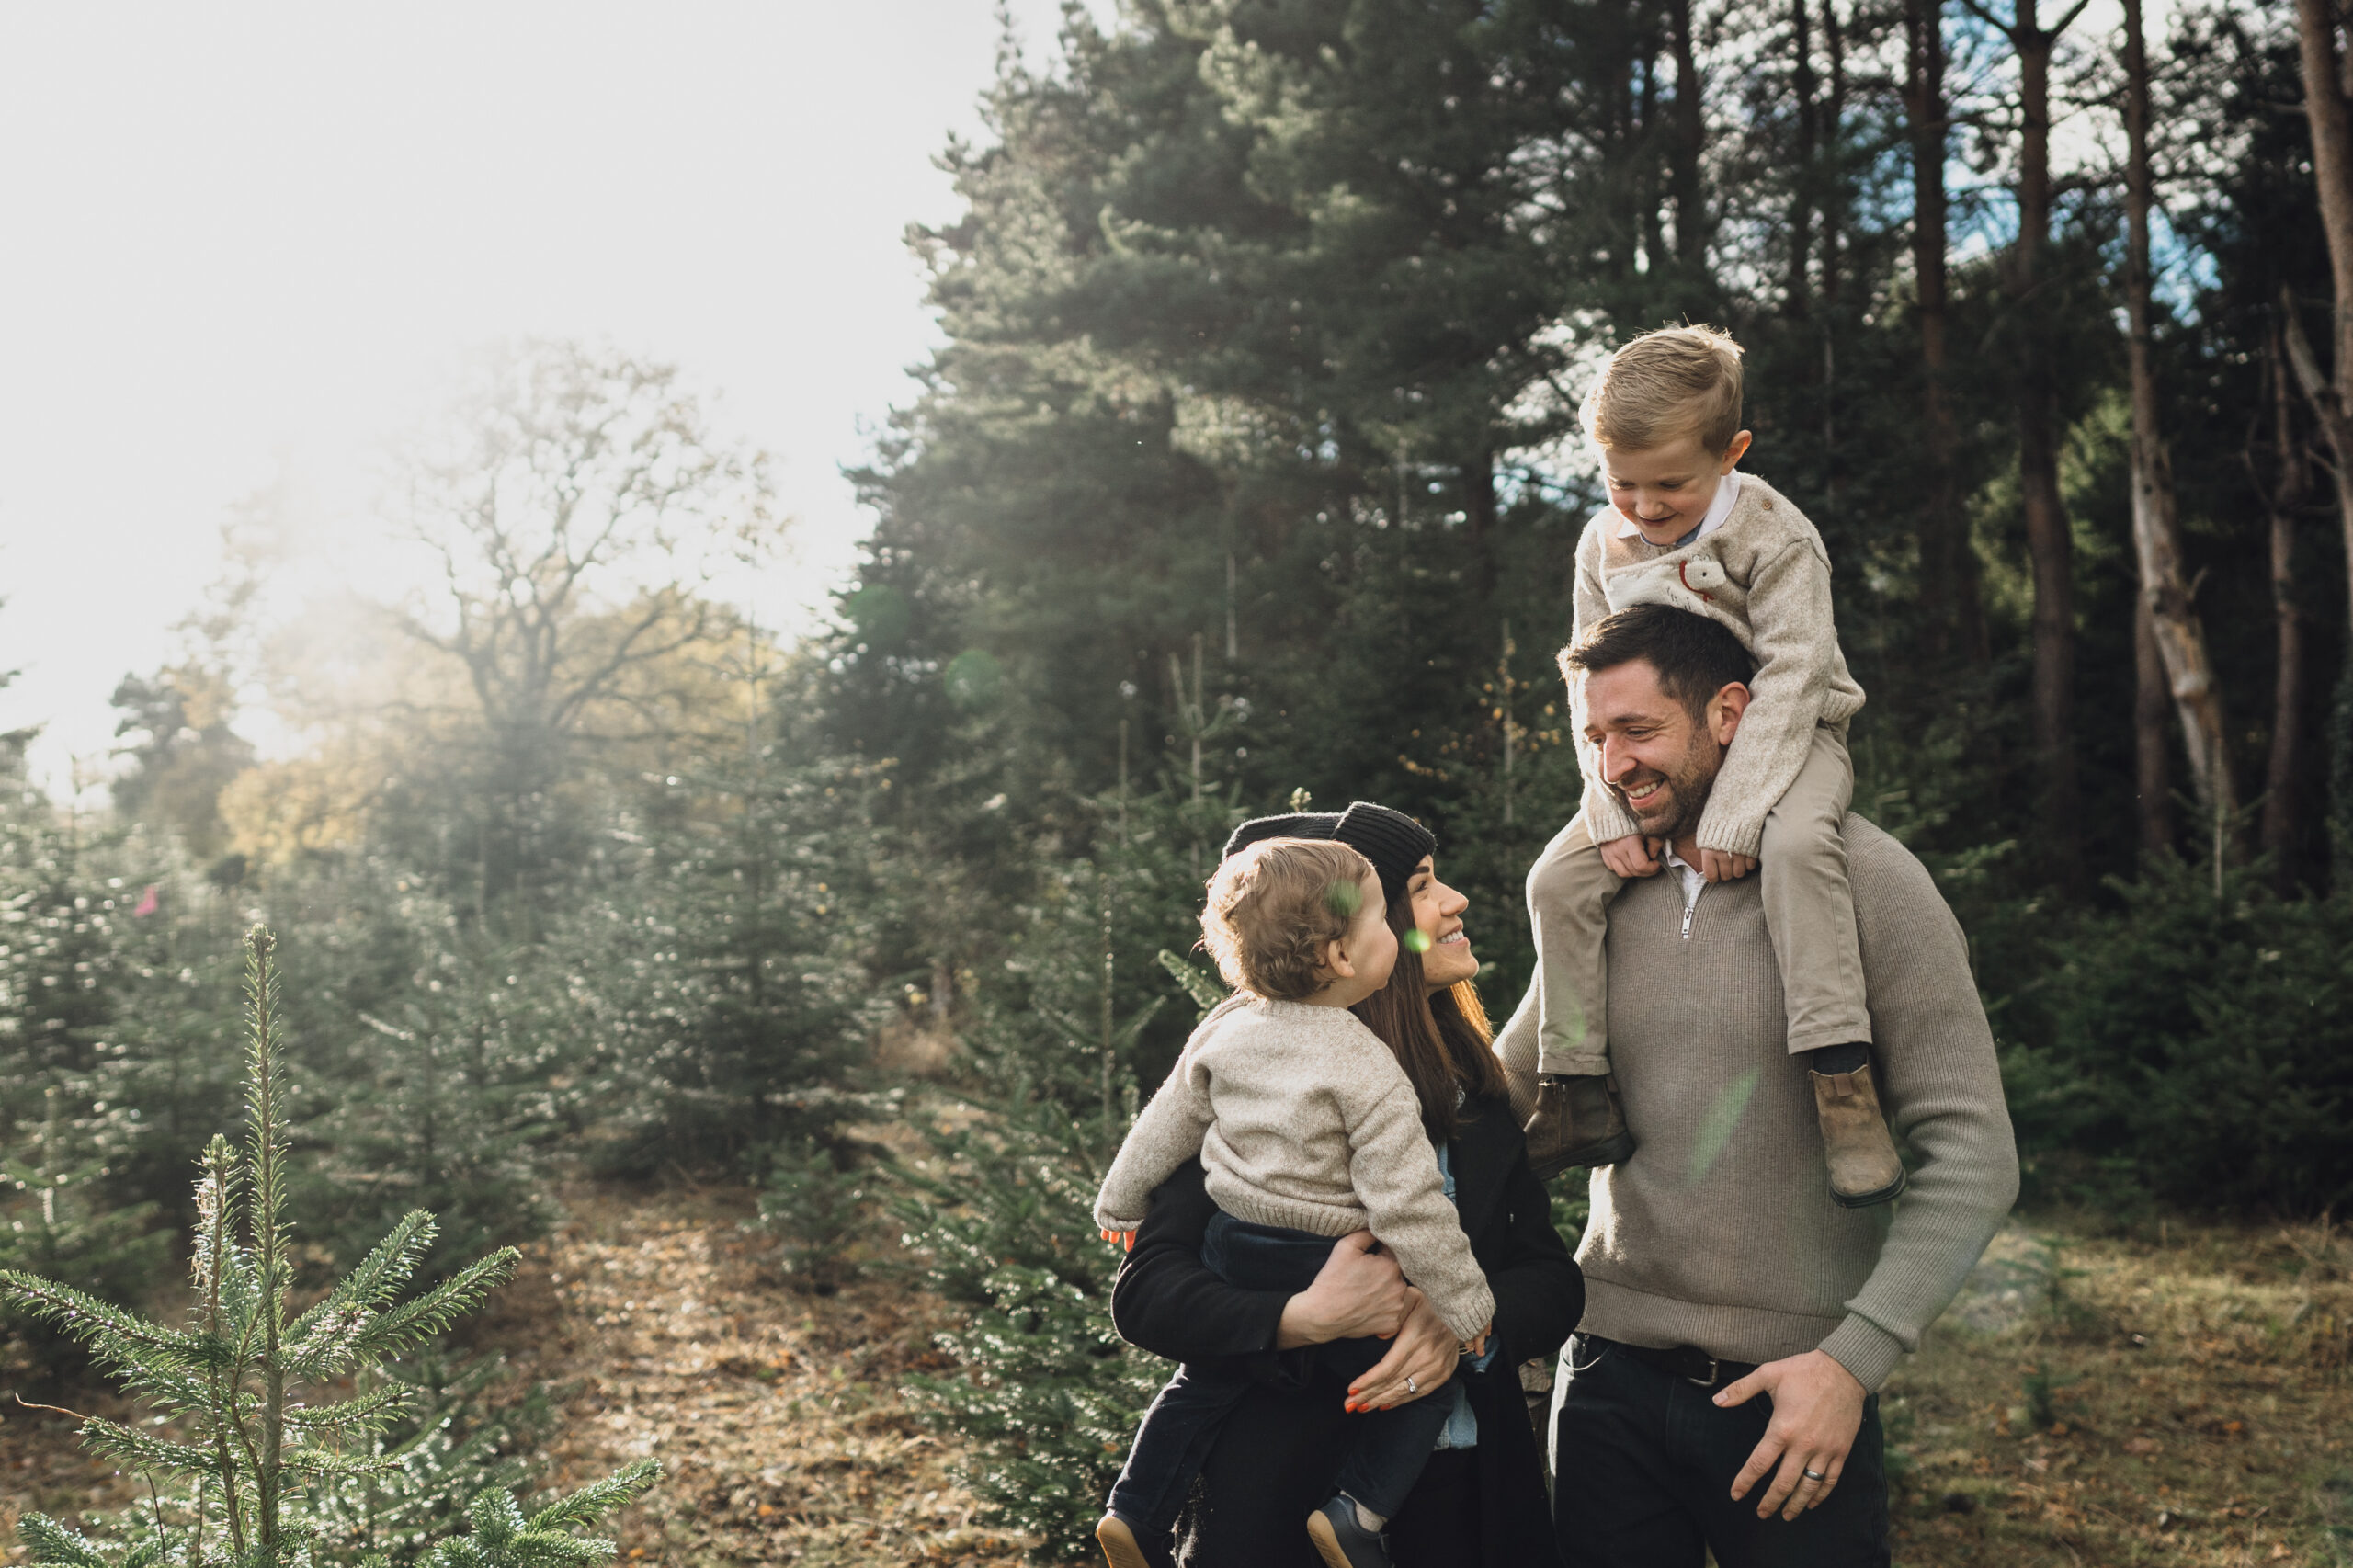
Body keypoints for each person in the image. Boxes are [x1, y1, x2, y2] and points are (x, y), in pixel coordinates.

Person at [1500, 606, 2018, 1567]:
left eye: (1640, 731)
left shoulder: (1865, 880)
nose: (1612, 766)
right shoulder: (1598, 893)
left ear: (1729, 712)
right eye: (1595, 737)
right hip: (1605, 1376)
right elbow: (1497, 1112)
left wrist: (1852, 1361)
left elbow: (1974, 1154)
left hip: (1796, 1395)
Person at [1111, 802, 1580, 1568]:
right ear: (1355, 940)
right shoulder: (1256, 1091)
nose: (1454, 901)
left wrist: (1451, 1319)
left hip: (1466, 1496)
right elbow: (1148, 1294)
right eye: (1424, 889)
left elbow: (1551, 1279)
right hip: (1281, 1506)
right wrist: (1300, 1317)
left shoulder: (1475, 1091)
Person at [1518, 324, 1903, 1210]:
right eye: (1622, 482)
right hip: (1656, 747)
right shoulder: (1601, 542)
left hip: (1793, 736)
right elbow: (1589, 679)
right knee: (1556, 882)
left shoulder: (1774, 535)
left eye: (1670, 485)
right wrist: (1607, 811)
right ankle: (1577, 1089)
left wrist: (1735, 814)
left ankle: (1840, 1081)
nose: (1644, 508)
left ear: (1731, 454)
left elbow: (1797, 674)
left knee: (1803, 847)